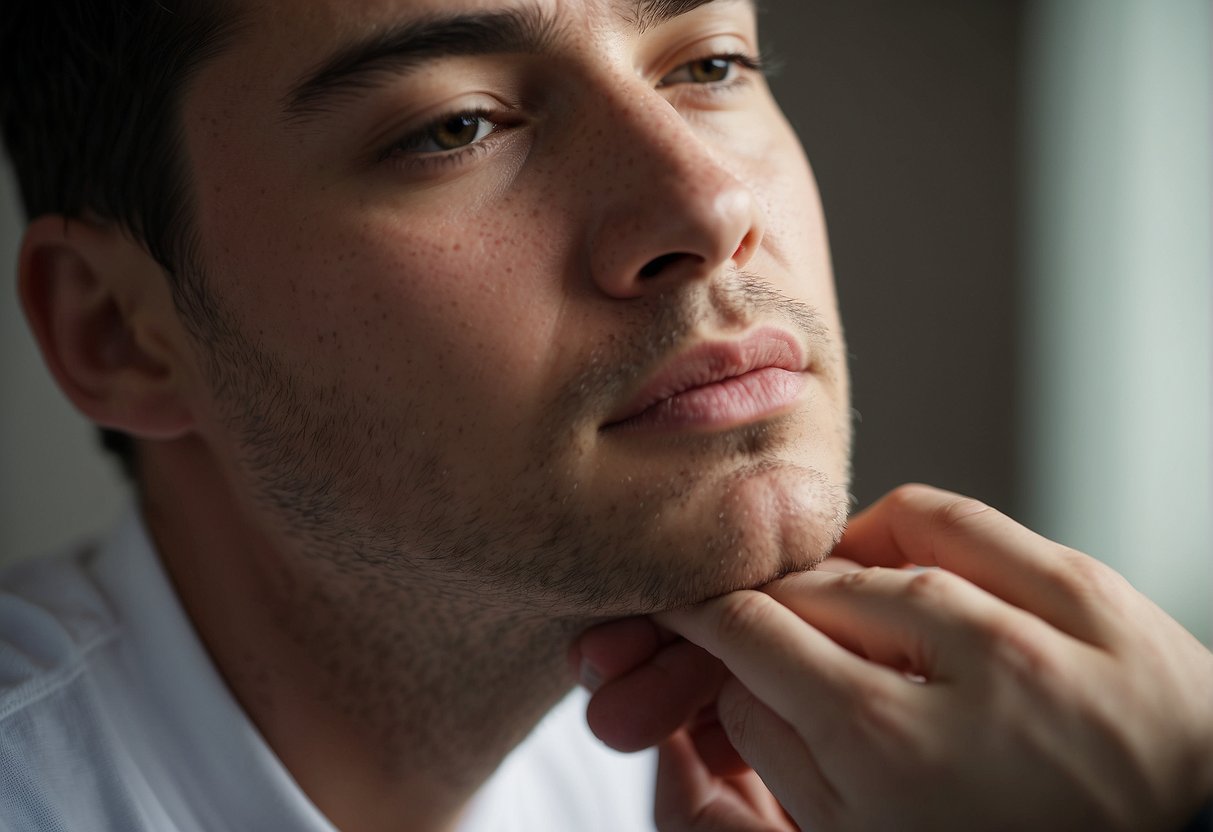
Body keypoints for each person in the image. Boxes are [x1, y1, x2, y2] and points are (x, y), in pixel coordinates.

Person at [0, 0, 1208, 830]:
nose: (705, 197)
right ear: (119, 328)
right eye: (455, 126)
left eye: (710, 64)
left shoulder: (865, 777)